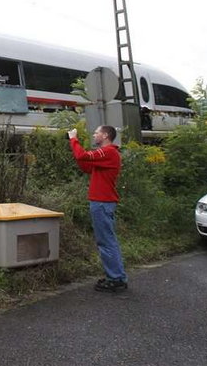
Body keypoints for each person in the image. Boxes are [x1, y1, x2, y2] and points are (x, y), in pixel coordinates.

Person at [68, 125, 128, 293]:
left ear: (105, 135)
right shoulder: (106, 155)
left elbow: (82, 155)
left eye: (96, 132)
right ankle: (117, 276)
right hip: (102, 202)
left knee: (106, 242)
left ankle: (115, 279)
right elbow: (86, 165)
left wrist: (73, 139)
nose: (94, 135)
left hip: (102, 202)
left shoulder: (108, 152)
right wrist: (78, 152)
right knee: (107, 240)